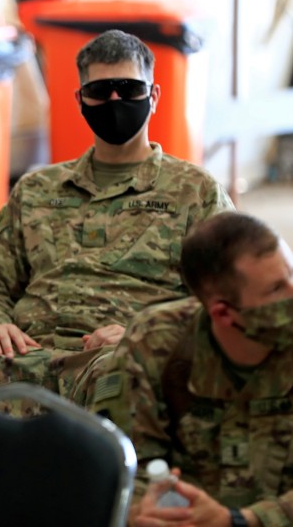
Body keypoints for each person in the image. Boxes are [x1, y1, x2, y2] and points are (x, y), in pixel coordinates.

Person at [0, 30, 232, 408]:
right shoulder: (36, 189)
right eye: (100, 91)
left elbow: (226, 299)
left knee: (130, 381)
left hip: (118, 359)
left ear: (154, 96)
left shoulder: (196, 192)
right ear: (80, 100)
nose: (114, 100)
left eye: (129, 89)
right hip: (21, 355)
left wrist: (145, 335)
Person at [91, 212, 293, 527]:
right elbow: (122, 461)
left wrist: (242, 520)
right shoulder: (155, 342)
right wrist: (143, 513)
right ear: (224, 314)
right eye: (276, 290)